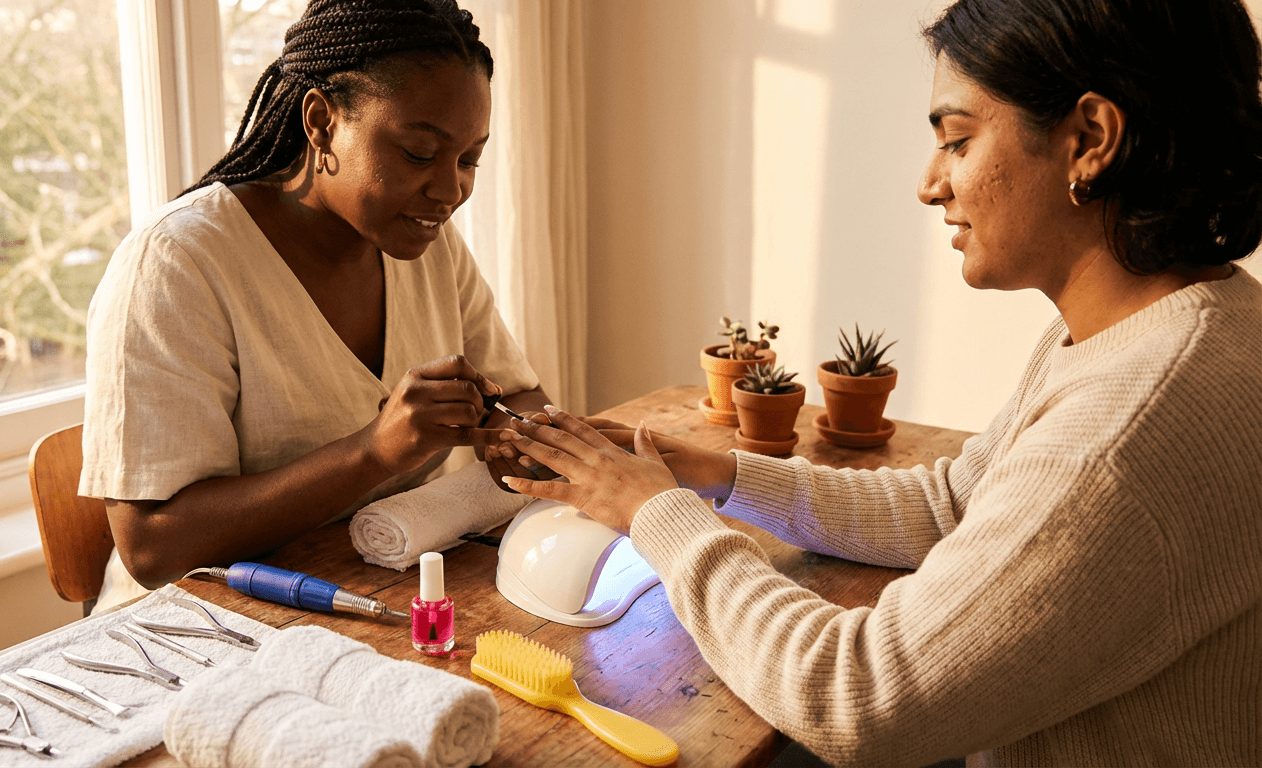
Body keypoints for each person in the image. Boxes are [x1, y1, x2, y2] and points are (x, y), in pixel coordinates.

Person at [497, 0, 1262, 764]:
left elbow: (855, 696)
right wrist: (714, 474)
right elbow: (953, 505)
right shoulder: (1166, 328)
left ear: (1090, 140)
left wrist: (654, 515)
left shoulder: (1127, 424)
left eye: (958, 141)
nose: (931, 185)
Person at [79, 0, 549, 612]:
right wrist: (373, 451)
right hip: (192, 632)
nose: (449, 190)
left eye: (469, 160)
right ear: (322, 121)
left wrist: (525, 436)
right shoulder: (178, 263)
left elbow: (517, 396)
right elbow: (152, 550)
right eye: (416, 153)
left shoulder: (427, 242)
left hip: (374, 594)